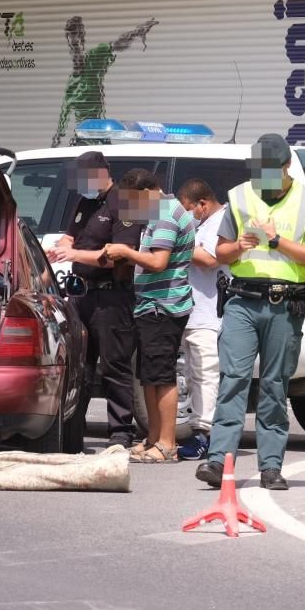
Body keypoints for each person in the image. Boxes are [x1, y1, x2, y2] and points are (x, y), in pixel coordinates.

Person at [194, 133, 305, 491]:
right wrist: (238, 246)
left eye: (270, 170)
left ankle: (271, 466)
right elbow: (219, 253)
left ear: (287, 168)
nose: (262, 178)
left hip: (286, 305)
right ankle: (217, 460)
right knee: (234, 380)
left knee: (274, 386)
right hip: (242, 301)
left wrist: (276, 241)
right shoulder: (239, 197)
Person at [47, 151, 143, 448]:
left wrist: (75, 254)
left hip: (110, 296)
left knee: (114, 365)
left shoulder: (125, 203)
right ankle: (75, 428)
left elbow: (119, 256)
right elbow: (72, 237)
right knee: (80, 364)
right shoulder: (86, 202)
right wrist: (62, 245)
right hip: (80, 295)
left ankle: (120, 433)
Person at [104, 169, 196, 463]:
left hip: (164, 307)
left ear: (146, 193)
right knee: (149, 376)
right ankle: (154, 438)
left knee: (162, 375)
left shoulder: (166, 214)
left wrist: (126, 252)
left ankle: (167, 444)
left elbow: (158, 262)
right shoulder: (158, 214)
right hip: (150, 305)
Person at [175, 178, 228, 460]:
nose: (186, 215)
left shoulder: (221, 221)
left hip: (209, 313)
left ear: (203, 204)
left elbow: (209, 259)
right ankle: (200, 431)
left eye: (188, 209)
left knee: (206, 374)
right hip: (195, 311)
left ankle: (205, 435)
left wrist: (174, 241)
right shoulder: (203, 224)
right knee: (195, 375)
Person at [52, 16, 159, 147]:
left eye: (76, 45)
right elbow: (65, 111)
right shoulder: (71, 83)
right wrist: (58, 136)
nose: (74, 51)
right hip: (82, 139)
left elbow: (116, 45)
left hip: (99, 136)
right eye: (71, 46)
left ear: (82, 42)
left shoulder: (94, 59)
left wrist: (135, 33)